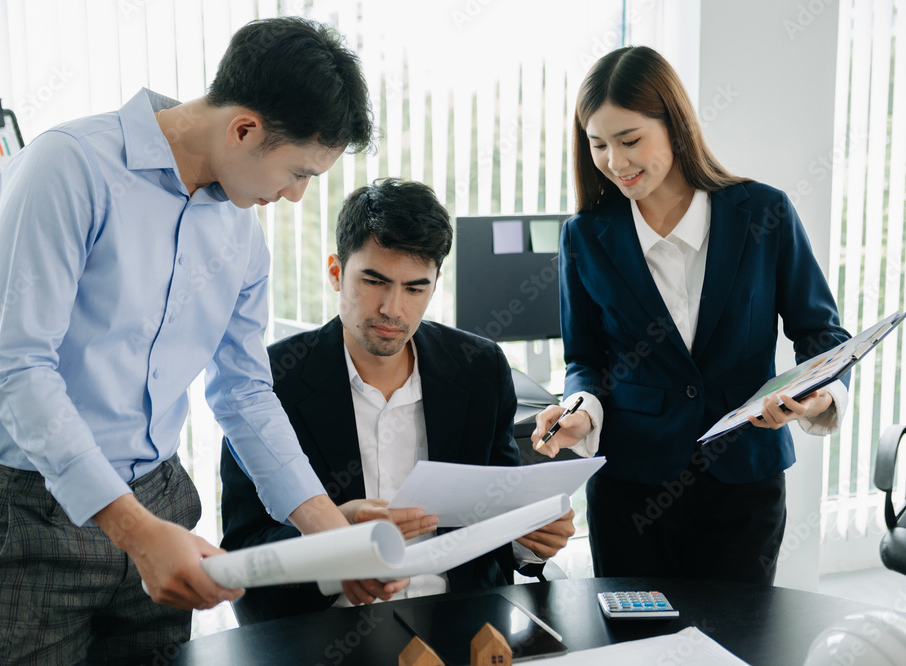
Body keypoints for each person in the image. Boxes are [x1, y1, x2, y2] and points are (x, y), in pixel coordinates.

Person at [0, 17, 385, 665]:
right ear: (244, 129)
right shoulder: (67, 168)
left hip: (163, 502)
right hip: (33, 522)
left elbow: (242, 393)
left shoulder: (241, 234)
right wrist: (135, 531)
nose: (295, 197)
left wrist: (328, 534)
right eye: (299, 173)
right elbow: (17, 371)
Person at [532, 45, 850, 585]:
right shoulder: (584, 235)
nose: (615, 162)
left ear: (675, 127)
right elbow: (585, 358)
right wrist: (581, 410)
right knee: (635, 645)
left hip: (745, 478)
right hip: (631, 485)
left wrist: (814, 395)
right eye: (598, 144)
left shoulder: (763, 213)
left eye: (630, 140)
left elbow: (821, 334)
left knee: (733, 644)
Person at [220, 178, 577, 623]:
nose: (393, 309)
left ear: (435, 284)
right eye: (374, 281)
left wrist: (529, 535)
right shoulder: (269, 381)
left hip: (458, 620)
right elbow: (243, 546)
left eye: (414, 289)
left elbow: (497, 506)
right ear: (335, 272)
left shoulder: (479, 368)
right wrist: (328, 542)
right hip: (325, 627)